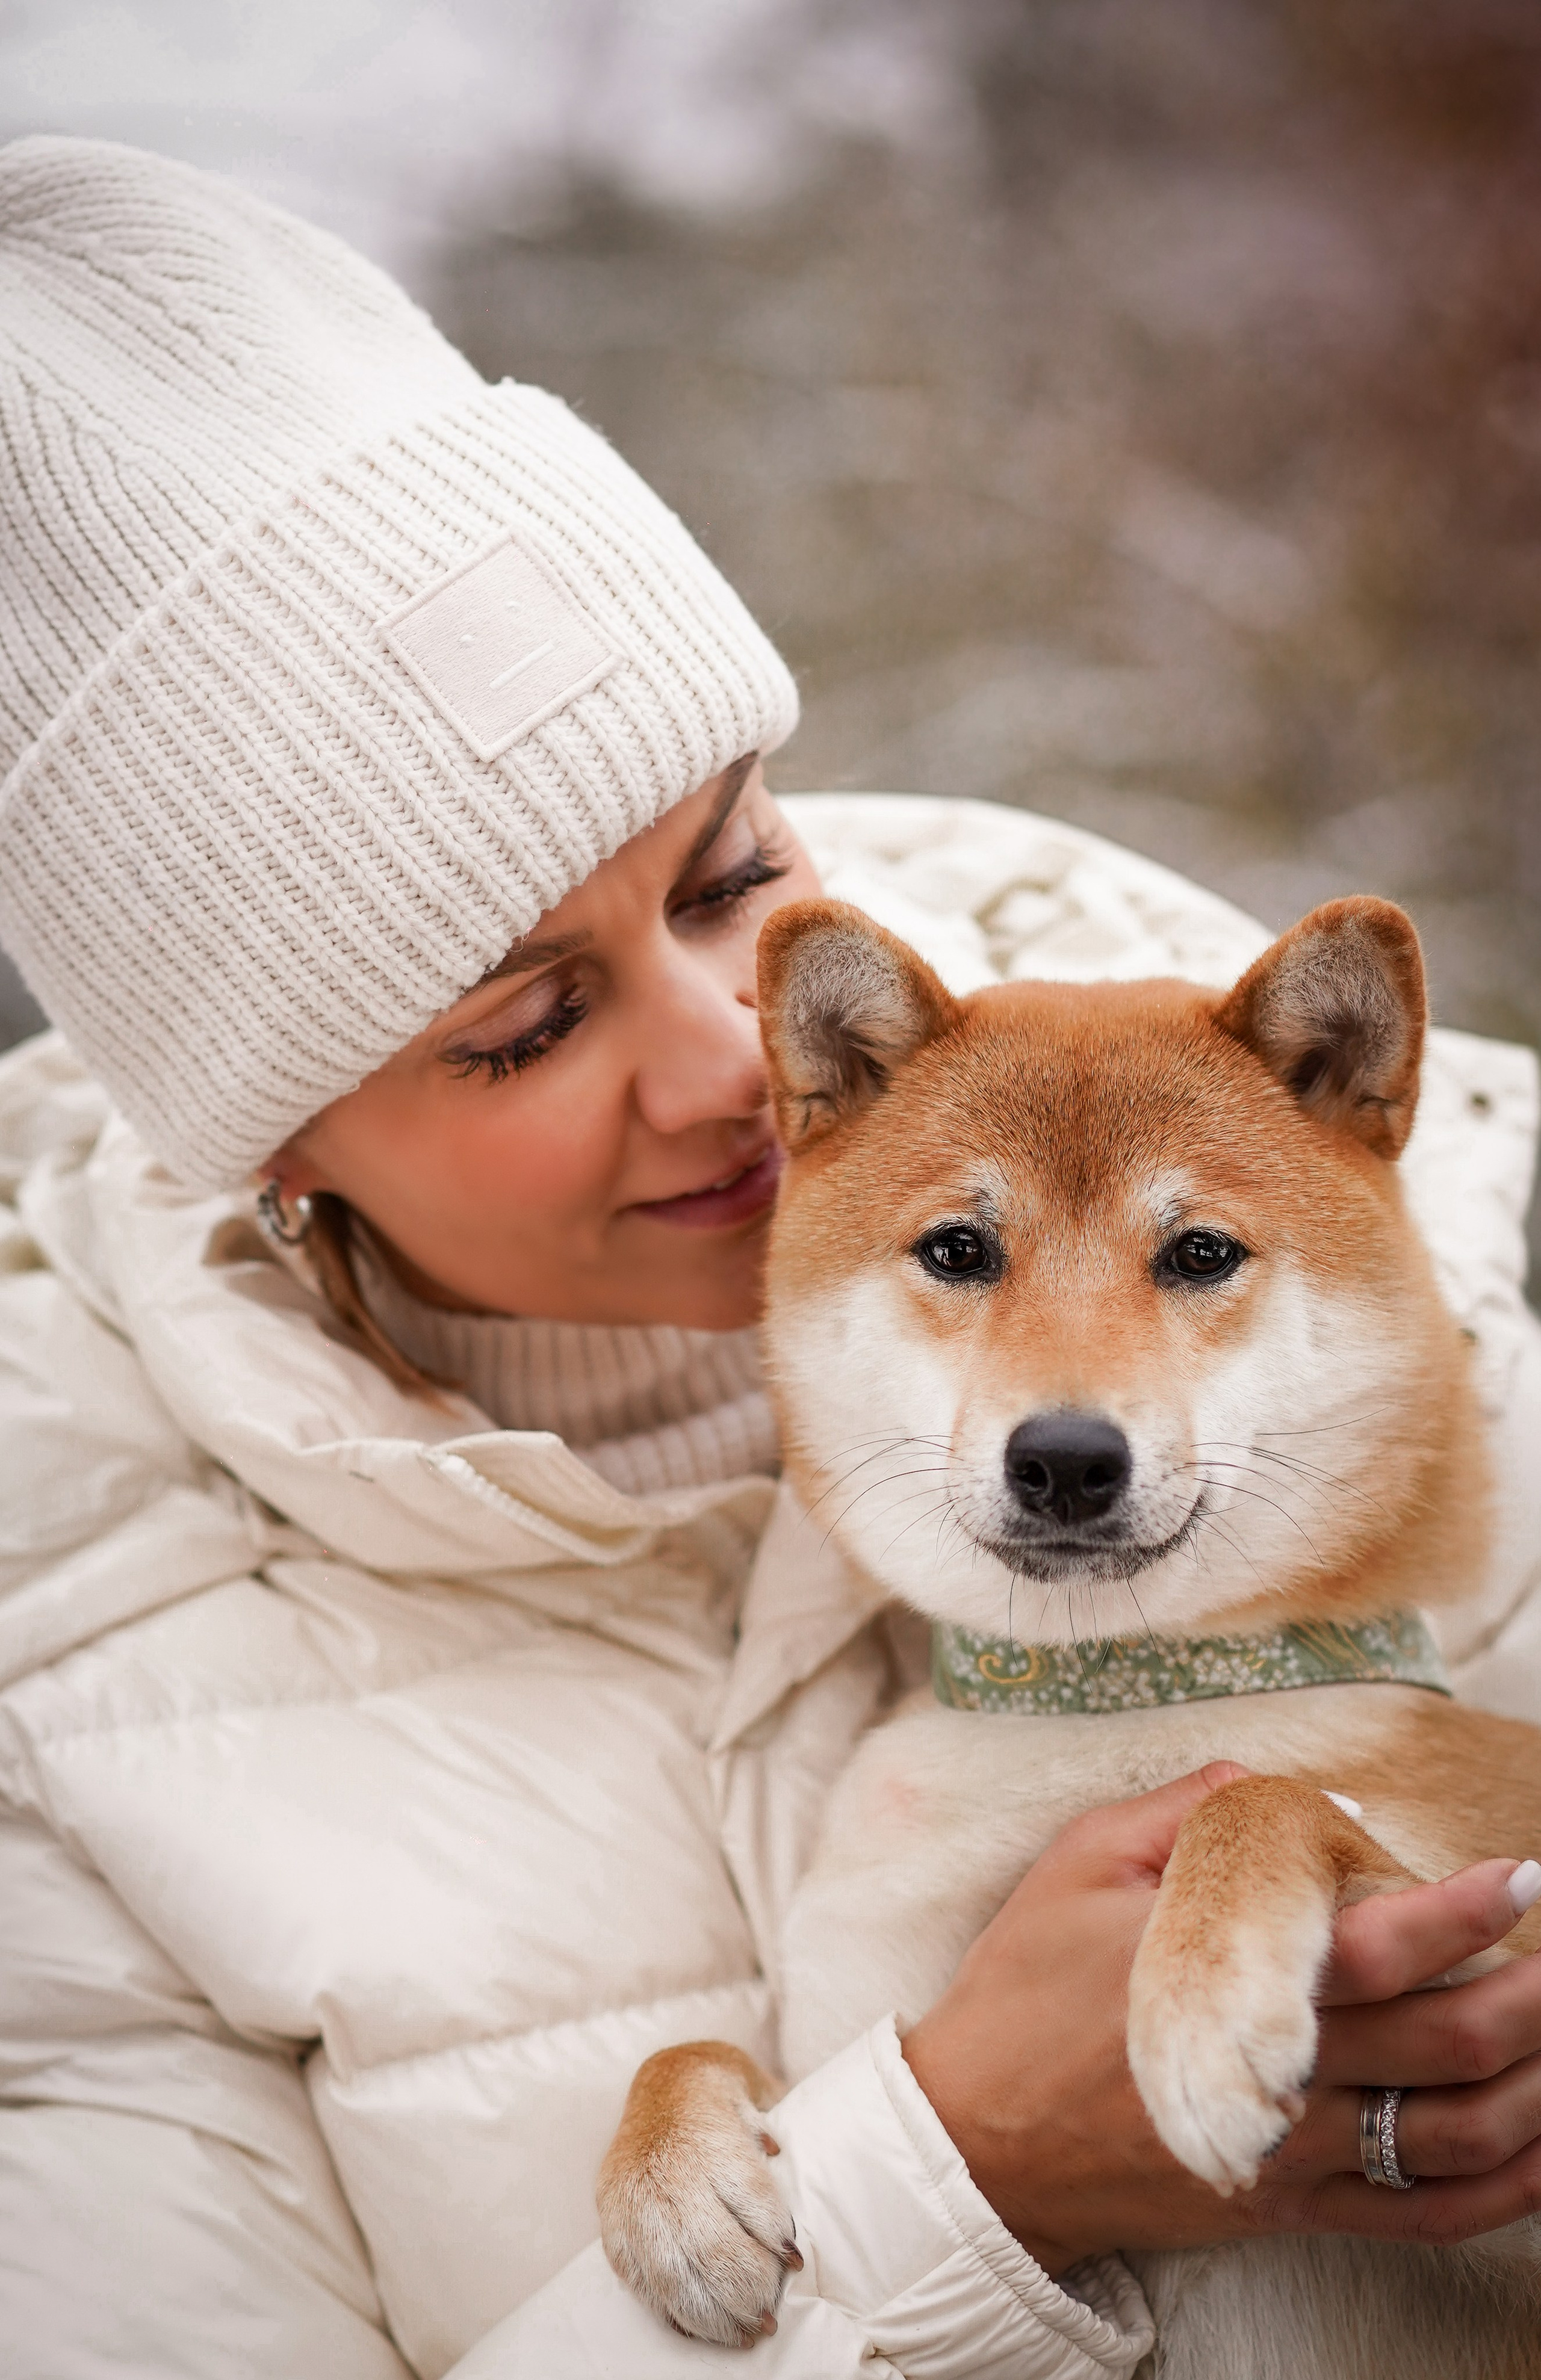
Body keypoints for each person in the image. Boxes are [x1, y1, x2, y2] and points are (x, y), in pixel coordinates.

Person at [2, 135, 1541, 2380]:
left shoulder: (1437, 1224)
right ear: (279, 1158)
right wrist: (964, 2180)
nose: (735, 1056)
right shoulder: (73, 1705)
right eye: (527, 1022)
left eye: (731, 874)